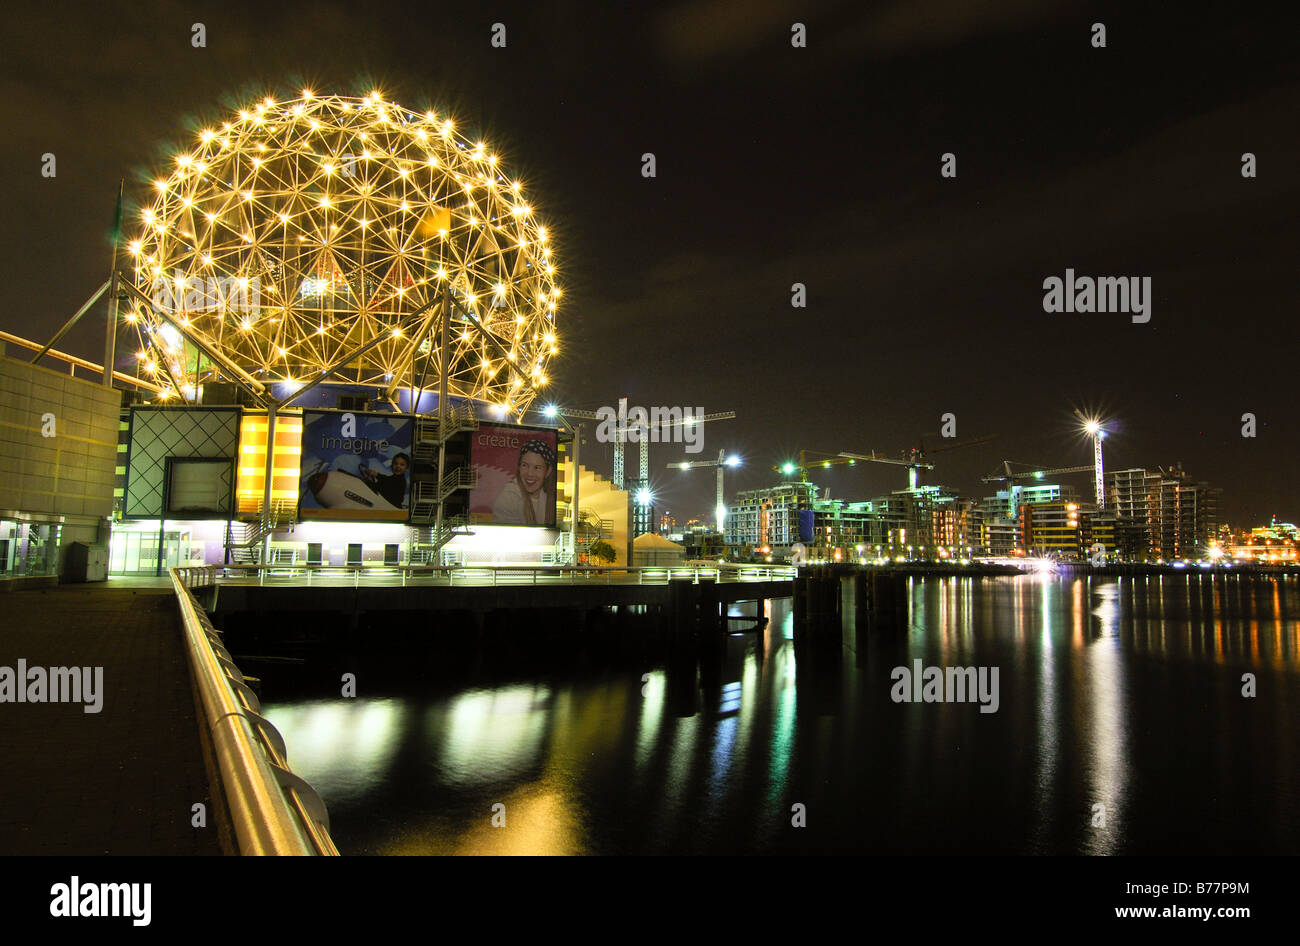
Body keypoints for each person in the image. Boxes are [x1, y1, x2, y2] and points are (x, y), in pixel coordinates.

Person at [492, 440, 555, 525]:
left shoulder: (550, 498)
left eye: (537, 468)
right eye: (525, 465)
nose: (530, 473)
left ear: (548, 471)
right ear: (519, 467)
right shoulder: (508, 498)